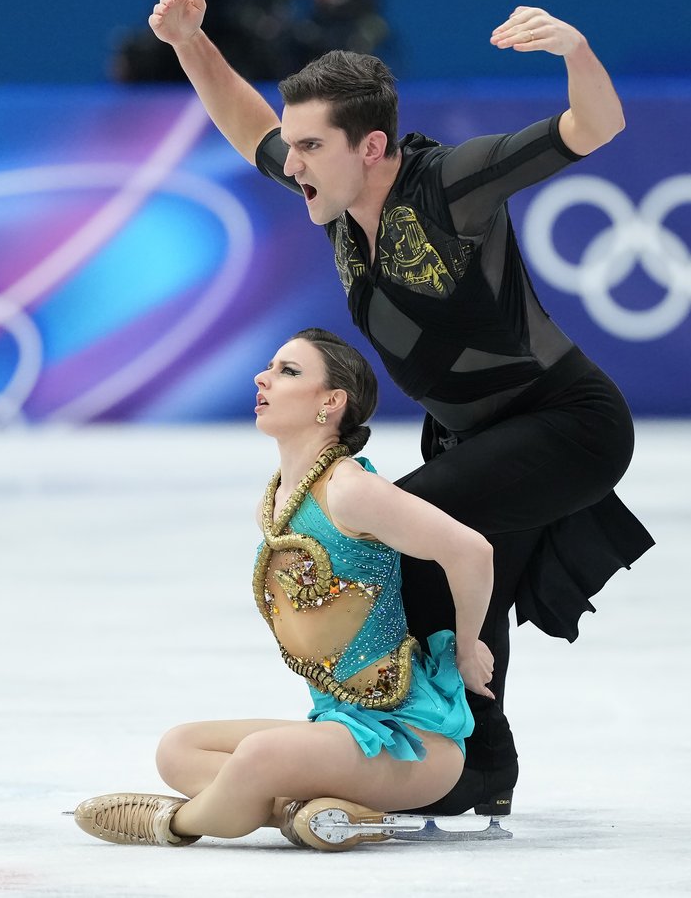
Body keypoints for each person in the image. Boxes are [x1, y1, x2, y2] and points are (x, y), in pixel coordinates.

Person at [148, 0, 654, 816]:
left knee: (406, 536)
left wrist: (574, 49)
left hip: (567, 426)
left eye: (311, 145)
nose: (292, 162)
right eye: (295, 144)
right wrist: (189, 43)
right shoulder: (334, 198)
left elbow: (594, 127)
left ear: (372, 145)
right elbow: (250, 129)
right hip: (470, 439)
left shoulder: (448, 185)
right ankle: (478, 766)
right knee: (463, 581)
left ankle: (415, 753)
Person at [71, 328, 496, 850]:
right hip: (337, 726)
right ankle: (306, 815)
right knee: (178, 748)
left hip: (410, 741)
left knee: (258, 756)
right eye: (270, 367)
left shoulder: (349, 489)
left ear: (330, 402)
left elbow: (472, 551)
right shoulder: (274, 504)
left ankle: (177, 823)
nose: (262, 378)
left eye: (288, 371)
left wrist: (468, 649)